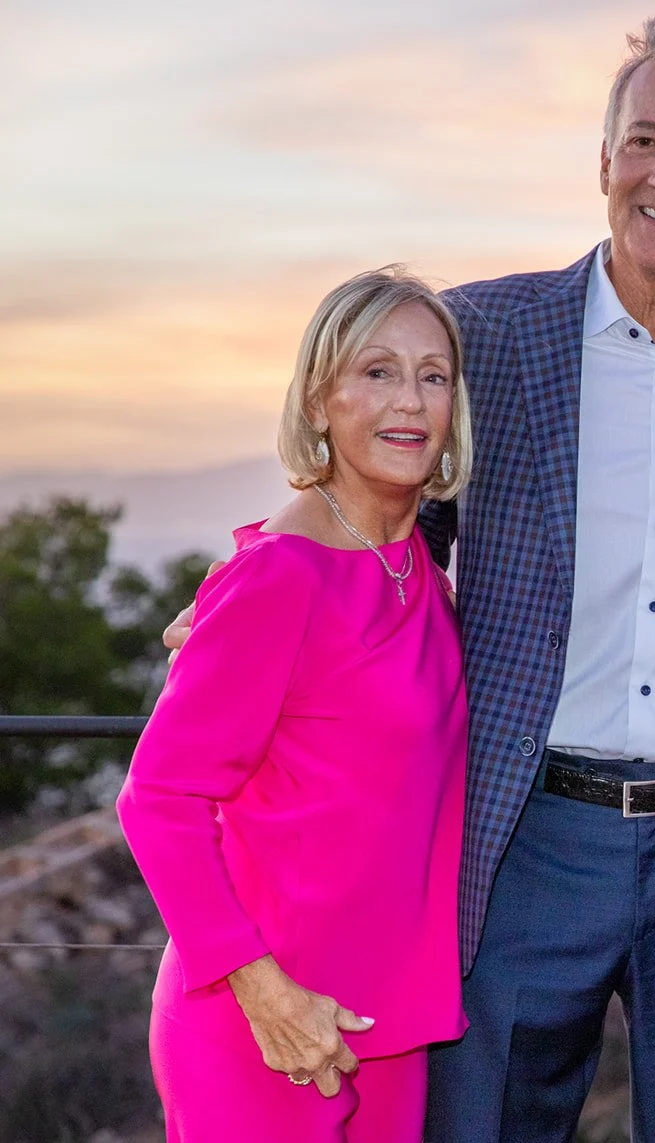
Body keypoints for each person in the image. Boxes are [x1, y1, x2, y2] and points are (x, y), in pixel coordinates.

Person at [416, 15, 655, 1142]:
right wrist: (255, 579)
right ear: (602, 161)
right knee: (479, 1123)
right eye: (643, 141)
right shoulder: (483, 333)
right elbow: (379, 504)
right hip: (531, 830)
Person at [119, 267, 473, 1141]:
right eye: (378, 371)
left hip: (389, 1028)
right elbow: (158, 800)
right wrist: (264, 993)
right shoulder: (280, 575)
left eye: (433, 375)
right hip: (260, 1026)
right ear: (319, 401)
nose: (412, 400)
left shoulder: (417, 572)